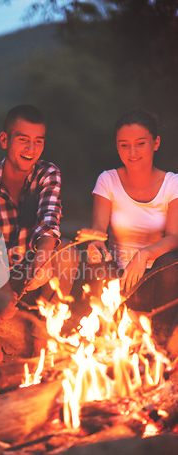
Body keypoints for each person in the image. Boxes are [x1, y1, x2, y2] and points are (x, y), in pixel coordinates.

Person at [0, 104, 79, 375]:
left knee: (69, 254)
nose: (31, 148)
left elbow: (50, 219)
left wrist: (42, 256)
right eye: (23, 140)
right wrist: (2, 292)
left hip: (32, 283)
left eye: (38, 141)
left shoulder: (48, 174)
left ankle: (41, 345)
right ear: (5, 140)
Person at [87, 108, 178, 346]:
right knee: (96, 259)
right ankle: (108, 338)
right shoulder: (107, 180)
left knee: (171, 263)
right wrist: (94, 244)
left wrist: (145, 254)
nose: (132, 152)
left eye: (140, 143)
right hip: (117, 282)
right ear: (117, 146)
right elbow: (97, 230)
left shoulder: (172, 184)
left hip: (158, 283)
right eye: (124, 145)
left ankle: (159, 341)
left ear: (156, 143)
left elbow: (174, 236)